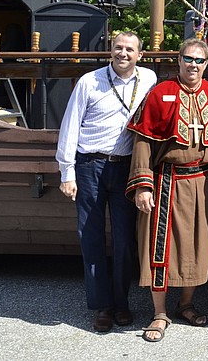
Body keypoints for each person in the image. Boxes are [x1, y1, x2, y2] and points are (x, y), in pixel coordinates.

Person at [126, 38, 208, 343]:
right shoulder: (159, 94)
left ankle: (186, 304)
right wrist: (142, 185)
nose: (193, 65)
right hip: (166, 182)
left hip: (203, 182)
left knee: (195, 247)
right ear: (179, 60)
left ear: (206, 64)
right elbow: (143, 142)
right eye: (188, 59)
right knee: (161, 249)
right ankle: (160, 313)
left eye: (199, 60)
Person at [56, 31, 157, 332]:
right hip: (90, 165)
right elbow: (70, 125)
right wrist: (67, 172)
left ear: (140, 55)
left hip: (126, 168)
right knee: (92, 238)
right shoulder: (90, 81)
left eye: (129, 49)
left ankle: (122, 303)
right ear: (110, 51)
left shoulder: (149, 79)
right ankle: (102, 306)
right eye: (118, 48)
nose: (123, 54)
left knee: (125, 240)